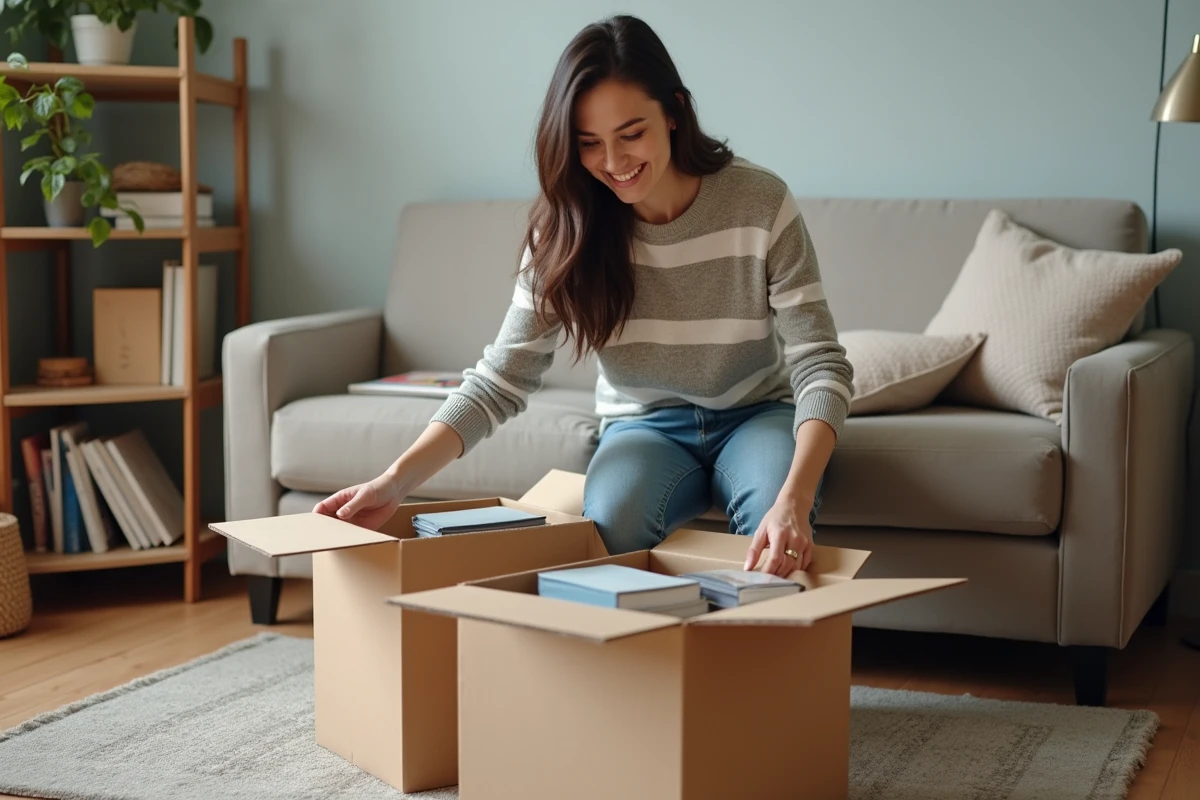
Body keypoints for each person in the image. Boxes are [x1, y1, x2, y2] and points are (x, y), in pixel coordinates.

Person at [314, 14, 854, 578]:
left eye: (631, 134)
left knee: (775, 529)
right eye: (589, 144)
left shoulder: (759, 201)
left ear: (673, 112)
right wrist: (394, 480)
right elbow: (501, 378)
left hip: (755, 414)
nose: (614, 164)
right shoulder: (565, 229)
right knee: (609, 527)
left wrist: (792, 500)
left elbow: (820, 363)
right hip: (643, 424)